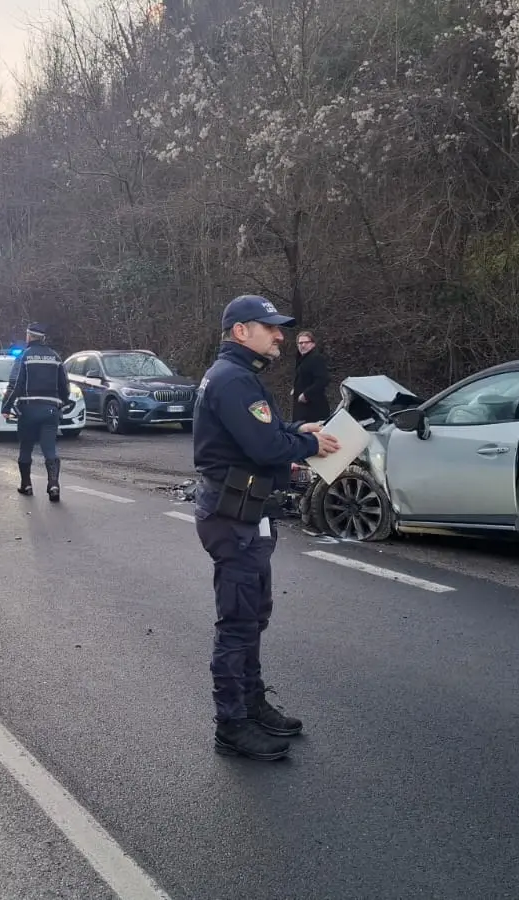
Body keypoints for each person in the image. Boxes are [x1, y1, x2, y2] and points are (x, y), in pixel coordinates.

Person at [193, 295, 341, 762]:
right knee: (237, 623)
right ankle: (231, 725)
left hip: (248, 511)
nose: (279, 335)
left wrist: (302, 428)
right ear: (242, 331)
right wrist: (308, 442)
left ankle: (252, 704)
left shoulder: (239, 377)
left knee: (254, 616)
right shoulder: (234, 380)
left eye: (280, 328)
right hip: (232, 514)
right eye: (270, 327)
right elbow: (264, 445)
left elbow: (268, 432)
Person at [1, 323, 72, 501]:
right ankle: (53, 484)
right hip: (50, 410)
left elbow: (15, 384)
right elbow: (65, 385)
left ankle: (26, 485)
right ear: (43, 338)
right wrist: (61, 403)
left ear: (29, 337)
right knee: (50, 448)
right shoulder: (55, 357)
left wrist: (6, 407)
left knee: (26, 448)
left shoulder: (24, 356)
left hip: (28, 410)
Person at [291, 330, 332, 425]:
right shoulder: (302, 359)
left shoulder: (316, 358)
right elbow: (306, 377)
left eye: (306, 342)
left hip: (314, 408)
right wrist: (296, 388)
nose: (303, 345)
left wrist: (306, 394)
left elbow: (323, 379)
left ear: (313, 344)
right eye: (300, 343)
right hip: (303, 408)